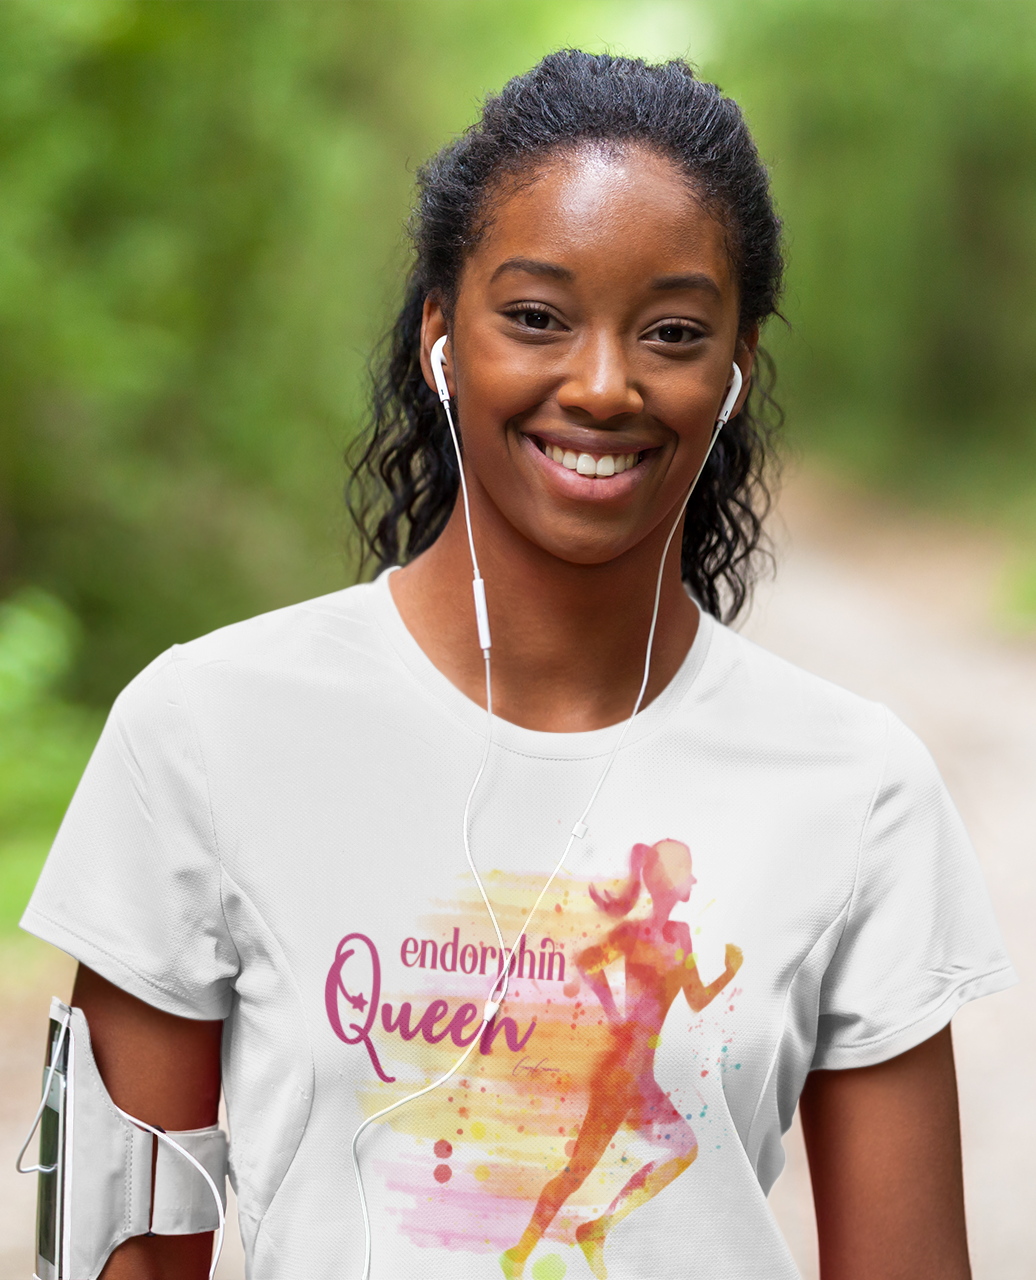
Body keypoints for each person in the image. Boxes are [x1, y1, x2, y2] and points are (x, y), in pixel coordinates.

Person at [22, 50, 1014, 1280]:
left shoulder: (855, 787)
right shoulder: (207, 729)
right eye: (537, 316)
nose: (603, 385)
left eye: (671, 331)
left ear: (734, 368)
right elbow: (107, 1253)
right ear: (441, 334)